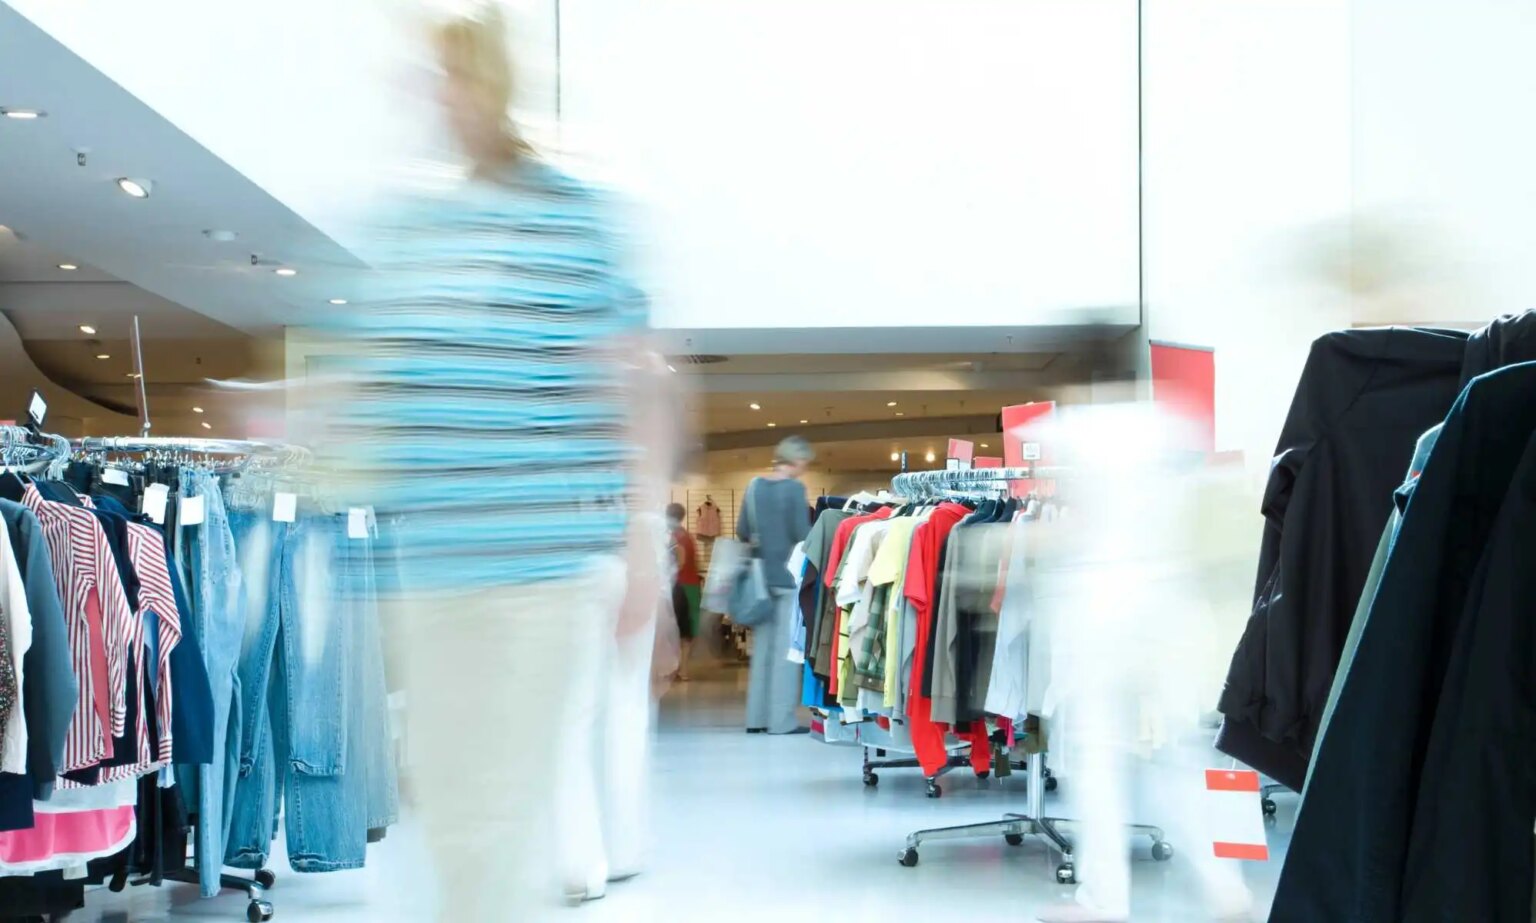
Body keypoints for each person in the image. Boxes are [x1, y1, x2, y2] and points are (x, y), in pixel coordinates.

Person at [315, 6, 672, 920]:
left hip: (538, 572)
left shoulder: (573, 219)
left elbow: (637, 387)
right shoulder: (408, 233)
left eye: (454, 77)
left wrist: (643, 545)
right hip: (430, 574)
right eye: (428, 81)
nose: (439, 98)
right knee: (451, 809)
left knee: (503, 813)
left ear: (492, 84)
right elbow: (372, 385)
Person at [739, 436, 814, 734]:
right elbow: (801, 533)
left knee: (762, 651)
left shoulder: (754, 486)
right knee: (785, 652)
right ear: (796, 461)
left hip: (760, 579)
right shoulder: (794, 490)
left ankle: (755, 719)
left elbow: (743, 529)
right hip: (786, 578)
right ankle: (781, 721)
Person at [666, 502, 701, 681]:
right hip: (691, 585)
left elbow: (678, 563)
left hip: (680, 586)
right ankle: (682, 669)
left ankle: (681, 668)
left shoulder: (674, 537)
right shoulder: (685, 536)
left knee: (679, 629)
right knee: (686, 630)